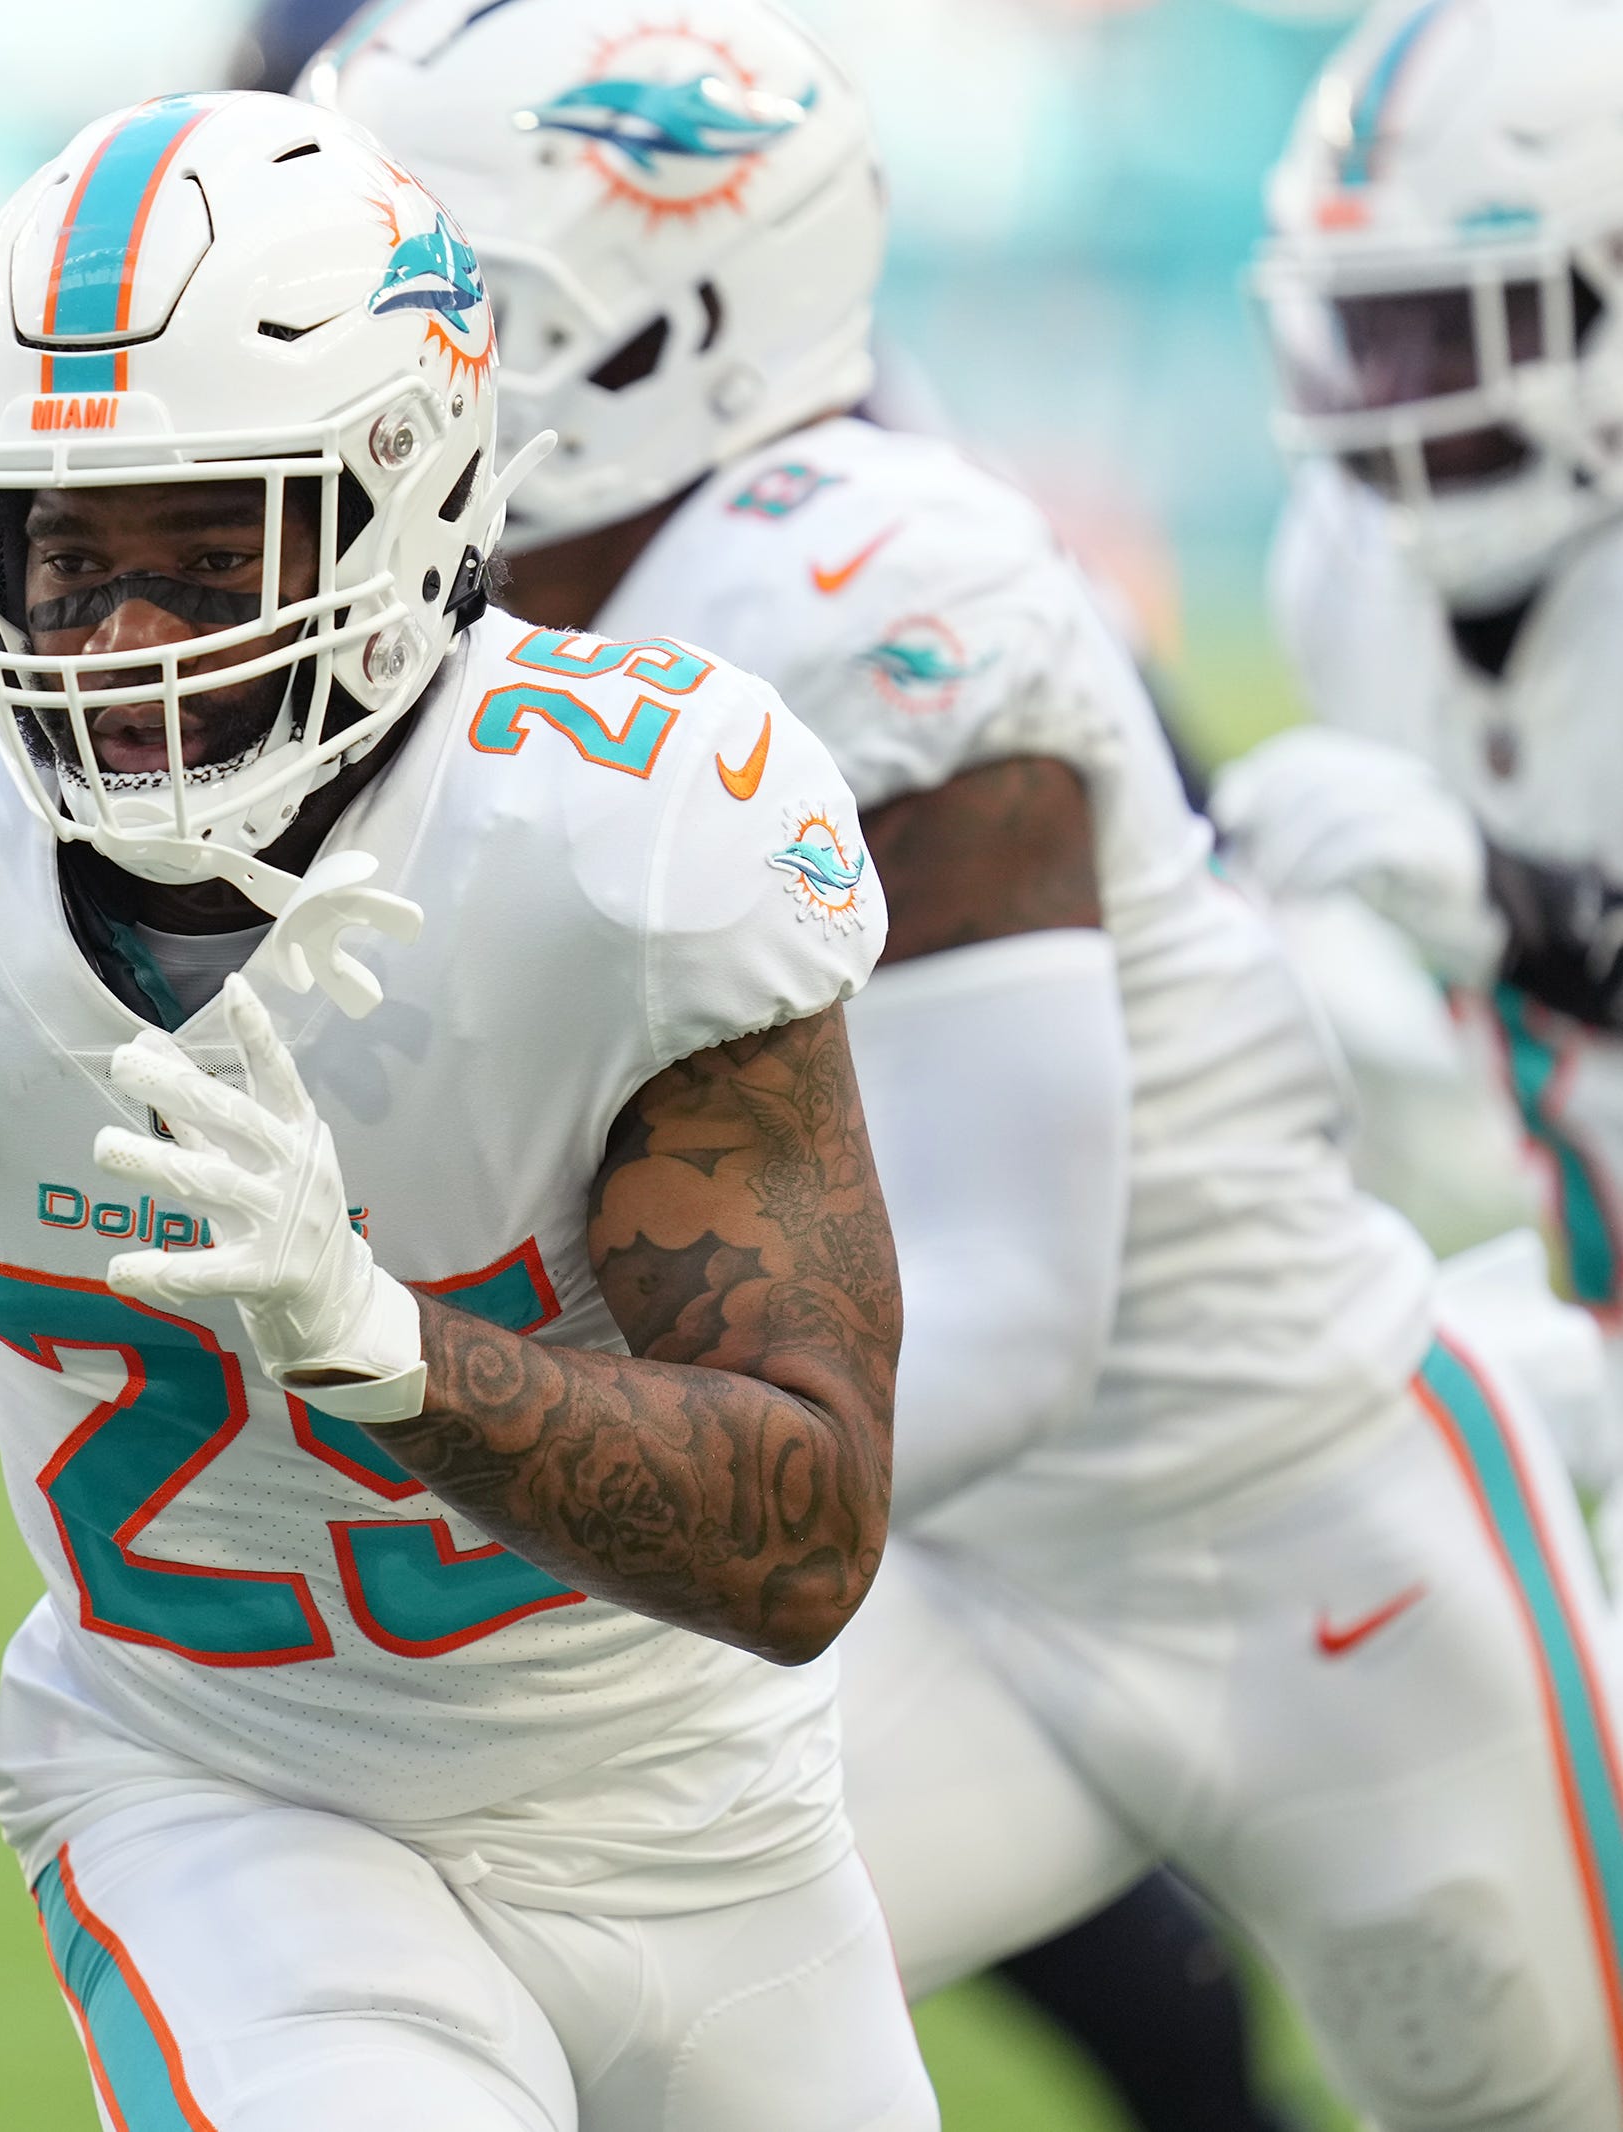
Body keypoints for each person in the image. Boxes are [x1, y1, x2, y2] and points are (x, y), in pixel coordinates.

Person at [0, 91, 937, 2131]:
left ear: (403, 502)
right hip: (217, 1784)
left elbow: (808, 1531)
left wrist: (387, 1350)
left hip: (697, 1821)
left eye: (211, 543)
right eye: (67, 553)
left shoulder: (621, 844)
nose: (127, 640)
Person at [318, 3, 1623, 2127]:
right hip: (968, 1586)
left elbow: (1016, 1306)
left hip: (1302, 1530)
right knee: (551, 2021)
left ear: (657, 333)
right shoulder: (452, 618)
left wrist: (538, 1456)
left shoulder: (871, 597)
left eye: (426, 290)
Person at [1225, 0, 1623, 1499]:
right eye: (1372, 328)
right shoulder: (1345, 569)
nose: (1398, 400)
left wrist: (1520, 910)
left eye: (1460, 326)